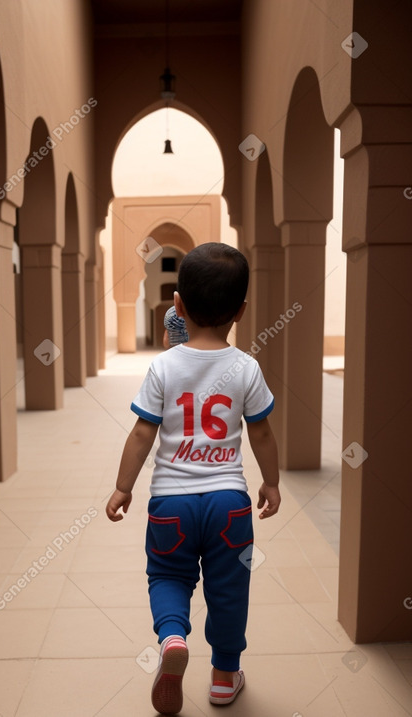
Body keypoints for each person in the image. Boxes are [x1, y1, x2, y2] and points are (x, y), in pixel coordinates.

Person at [106, 242, 281, 715]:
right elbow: (261, 433)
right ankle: (224, 678)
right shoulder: (246, 367)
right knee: (229, 588)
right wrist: (272, 482)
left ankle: (172, 638)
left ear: (177, 305)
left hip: (171, 504)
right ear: (241, 310)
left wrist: (123, 487)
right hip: (229, 503)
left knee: (167, 574)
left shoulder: (163, 366)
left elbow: (143, 432)